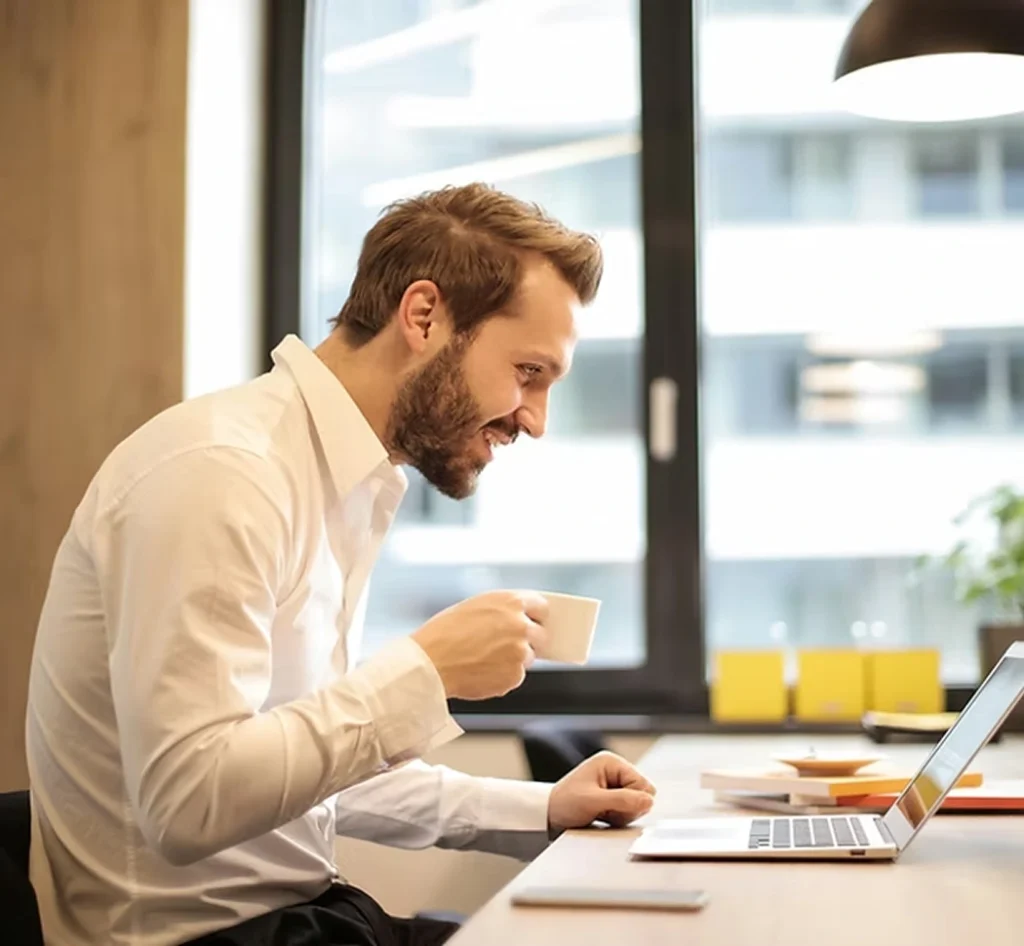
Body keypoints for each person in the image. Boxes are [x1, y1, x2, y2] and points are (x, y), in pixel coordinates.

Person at [25, 183, 657, 946]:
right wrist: (423, 672)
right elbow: (189, 802)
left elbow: (301, 776)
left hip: (300, 919)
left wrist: (541, 808)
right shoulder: (222, 472)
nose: (536, 419)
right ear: (423, 317)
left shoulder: (346, 481)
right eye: (528, 372)